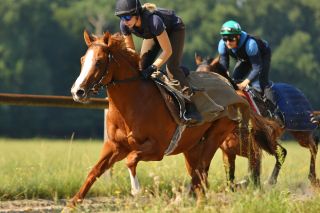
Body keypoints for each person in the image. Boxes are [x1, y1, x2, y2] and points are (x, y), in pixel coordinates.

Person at [115, 0, 202, 124]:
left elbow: (167, 51)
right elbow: (131, 51)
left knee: (171, 68)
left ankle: (190, 106)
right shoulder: (124, 25)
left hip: (174, 29)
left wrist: (153, 67)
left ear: (137, 14)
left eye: (127, 17)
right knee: (141, 66)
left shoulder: (154, 21)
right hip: (154, 33)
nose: (124, 21)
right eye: (121, 17)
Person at [217, 20, 280, 120]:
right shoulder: (222, 44)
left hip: (261, 56)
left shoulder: (250, 44)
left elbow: (257, 68)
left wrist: (246, 82)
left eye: (231, 38)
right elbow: (224, 65)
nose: (228, 42)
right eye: (225, 38)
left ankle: (275, 113)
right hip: (244, 58)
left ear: (238, 37)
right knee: (235, 80)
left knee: (262, 82)